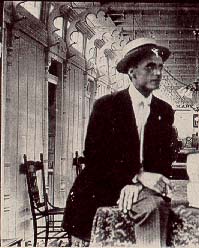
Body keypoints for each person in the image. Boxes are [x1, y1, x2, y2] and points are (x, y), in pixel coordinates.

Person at [63, 38, 179, 247]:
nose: (158, 73)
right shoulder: (106, 106)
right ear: (131, 71)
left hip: (144, 189)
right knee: (150, 208)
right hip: (102, 185)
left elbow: (163, 159)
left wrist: (141, 184)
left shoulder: (164, 110)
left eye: (160, 67)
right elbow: (95, 157)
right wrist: (134, 178)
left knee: (160, 207)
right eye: (150, 66)